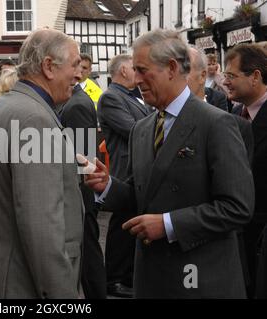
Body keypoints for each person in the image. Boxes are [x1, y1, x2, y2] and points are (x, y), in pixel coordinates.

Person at [85, 29, 254, 298]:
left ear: (172, 68)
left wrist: (168, 224)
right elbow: (142, 195)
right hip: (152, 278)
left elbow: (237, 207)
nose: (136, 79)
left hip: (201, 279)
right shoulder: (142, 129)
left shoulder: (216, 123)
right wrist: (107, 186)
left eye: (142, 70)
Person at [0, 28, 84, 298]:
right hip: (24, 285)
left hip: (1, 278)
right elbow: (42, 226)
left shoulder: (2, 107)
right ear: (48, 66)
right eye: (75, 65)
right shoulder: (34, 119)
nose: (79, 75)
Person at [98, 54, 151, 298]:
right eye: (134, 68)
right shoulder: (110, 97)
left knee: (131, 224)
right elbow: (132, 128)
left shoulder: (135, 96)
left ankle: (127, 275)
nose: (139, 73)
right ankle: (114, 278)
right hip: (124, 168)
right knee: (121, 225)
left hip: (139, 168)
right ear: (122, 71)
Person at [224, 43, 267, 298]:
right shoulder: (236, 115)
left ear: (255, 76)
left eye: (231, 76)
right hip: (243, 234)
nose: (224, 82)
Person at [60, 80, 105, 299]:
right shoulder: (74, 101)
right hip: (81, 188)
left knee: (87, 249)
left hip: (81, 189)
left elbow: (84, 154)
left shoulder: (76, 104)